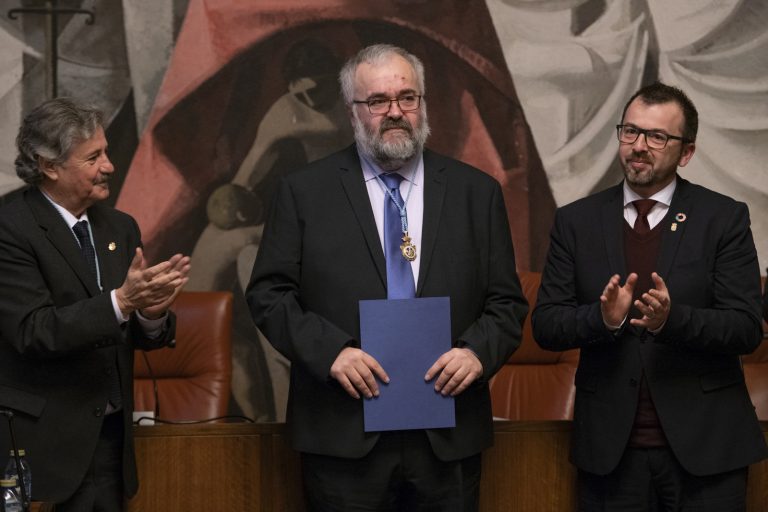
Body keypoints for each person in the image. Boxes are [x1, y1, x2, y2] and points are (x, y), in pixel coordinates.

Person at [246, 44, 527, 511]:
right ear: (352, 111)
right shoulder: (303, 192)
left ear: (422, 103)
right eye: (377, 101)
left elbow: (507, 303)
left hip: (447, 432)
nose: (395, 112)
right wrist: (330, 352)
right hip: (342, 432)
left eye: (407, 97)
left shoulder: (476, 193)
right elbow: (268, 295)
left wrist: (477, 352)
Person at [532, 82, 767, 511]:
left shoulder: (723, 218)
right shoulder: (576, 222)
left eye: (657, 136)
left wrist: (671, 321)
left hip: (707, 450)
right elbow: (546, 325)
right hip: (611, 454)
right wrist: (603, 319)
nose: (639, 146)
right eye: (631, 132)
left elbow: (746, 327)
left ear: (686, 152)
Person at [0, 98, 190, 511]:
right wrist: (122, 302)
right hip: (43, 445)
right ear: (49, 166)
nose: (109, 166)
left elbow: (127, 330)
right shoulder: (10, 228)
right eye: (93, 158)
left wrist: (151, 314)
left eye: (106, 152)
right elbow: (33, 331)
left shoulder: (120, 228)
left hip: (111, 440)